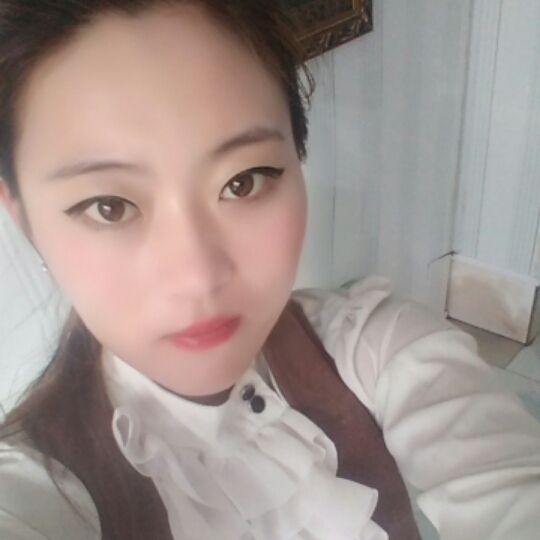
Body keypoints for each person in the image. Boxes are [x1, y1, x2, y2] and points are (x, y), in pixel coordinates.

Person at [0, 1, 539, 539]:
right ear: (25, 220)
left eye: (244, 181)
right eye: (109, 207)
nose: (198, 276)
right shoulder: (33, 491)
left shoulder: (376, 349)